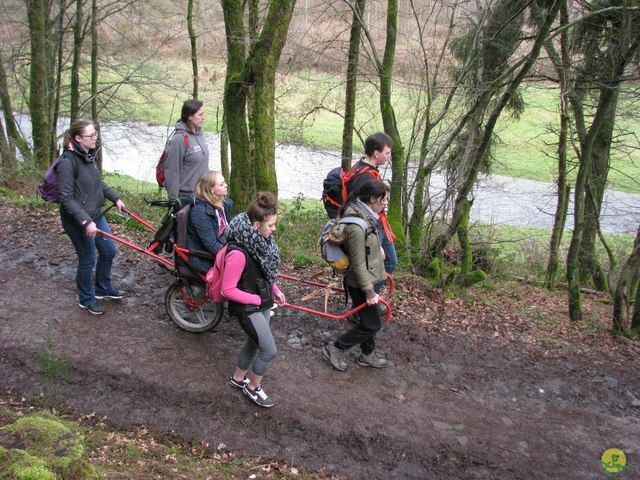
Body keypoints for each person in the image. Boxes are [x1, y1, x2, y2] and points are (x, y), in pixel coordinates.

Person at [222, 192, 286, 408]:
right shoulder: (238, 253)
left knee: (253, 342)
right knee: (269, 350)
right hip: (247, 307)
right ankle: (253, 388)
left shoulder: (260, 243)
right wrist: (256, 298)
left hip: (261, 301)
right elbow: (227, 289)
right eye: (271, 225)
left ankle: (238, 379)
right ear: (256, 224)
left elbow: (262, 273)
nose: (274, 229)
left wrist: (275, 289)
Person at [57, 120, 126, 315]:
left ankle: (103, 288)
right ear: (78, 138)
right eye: (91, 135)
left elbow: (98, 184)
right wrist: (85, 221)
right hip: (77, 220)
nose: (95, 137)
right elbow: (66, 199)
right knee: (87, 259)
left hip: (96, 214)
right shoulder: (67, 163)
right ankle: (86, 299)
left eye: (95, 134)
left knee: (108, 251)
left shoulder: (89, 157)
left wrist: (115, 197)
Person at [323, 180, 390, 371]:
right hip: (361, 282)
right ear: (373, 199)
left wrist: (379, 251)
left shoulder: (368, 216)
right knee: (372, 325)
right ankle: (335, 348)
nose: (386, 203)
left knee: (368, 320)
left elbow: (367, 249)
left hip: (371, 277)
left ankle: (367, 354)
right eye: (384, 199)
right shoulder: (357, 226)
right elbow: (359, 264)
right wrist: (369, 291)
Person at [346, 132, 397, 276]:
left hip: (377, 224)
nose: (389, 156)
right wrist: (376, 243)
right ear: (376, 153)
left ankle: (371, 292)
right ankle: (370, 294)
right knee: (384, 264)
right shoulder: (365, 178)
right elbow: (361, 211)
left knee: (389, 263)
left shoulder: (361, 167)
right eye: (387, 152)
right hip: (371, 227)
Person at [187, 171, 233, 274]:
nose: (226, 185)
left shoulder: (221, 204)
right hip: (205, 258)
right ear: (211, 189)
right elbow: (211, 244)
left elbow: (231, 227)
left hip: (224, 243)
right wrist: (233, 255)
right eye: (221, 184)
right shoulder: (199, 212)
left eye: (224, 182)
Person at [164, 99, 209, 203]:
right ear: (190, 116)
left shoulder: (200, 135)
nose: (204, 117)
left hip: (202, 194)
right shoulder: (179, 139)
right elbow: (172, 171)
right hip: (185, 196)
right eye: (200, 114)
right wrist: (174, 199)